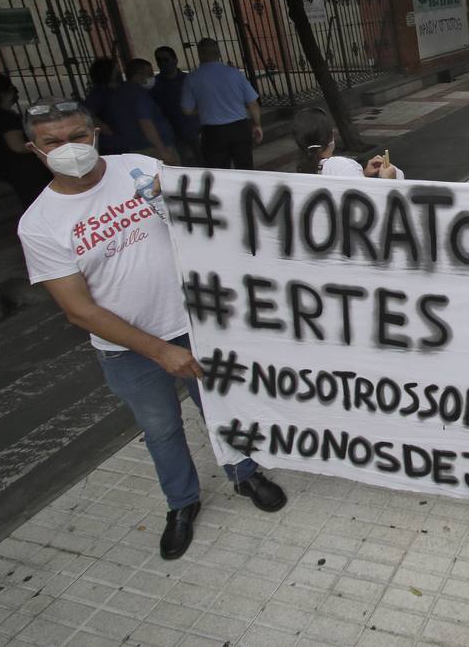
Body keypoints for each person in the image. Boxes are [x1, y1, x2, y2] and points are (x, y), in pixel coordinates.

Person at [16, 97, 286, 561]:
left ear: (95, 131)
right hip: (130, 352)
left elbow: (203, 215)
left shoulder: (139, 168)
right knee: (161, 429)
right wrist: (160, 351)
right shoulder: (39, 225)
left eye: (77, 136)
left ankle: (245, 474)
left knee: (222, 407)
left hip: (197, 325)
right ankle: (182, 504)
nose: (69, 148)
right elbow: (78, 310)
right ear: (34, 148)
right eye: (53, 142)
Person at [0, 72, 51, 210]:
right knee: (38, 202)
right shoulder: (4, 117)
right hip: (23, 169)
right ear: (3, 93)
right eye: (11, 88)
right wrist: (44, 147)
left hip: (11, 166)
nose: (14, 92)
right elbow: (17, 146)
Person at [180, 38, 262, 170]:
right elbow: (253, 103)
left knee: (218, 172)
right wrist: (257, 125)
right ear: (219, 54)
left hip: (213, 133)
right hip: (239, 128)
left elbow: (186, 110)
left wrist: (203, 108)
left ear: (200, 55)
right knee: (245, 168)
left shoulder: (192, 78)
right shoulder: (235, 74)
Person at [292, 107, 404, 179]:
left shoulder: (302, 171)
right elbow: (368, 205)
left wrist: (363, 174)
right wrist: (388, 180)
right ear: (331, 135)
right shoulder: (342, 166)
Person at [106, 58, 178, 163]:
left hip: (135, 149)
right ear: (138, 75)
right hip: (153, 149)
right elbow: (146, 124)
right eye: (149, 74)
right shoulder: (139, 95)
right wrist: (162, 150)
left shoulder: (119, 93)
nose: (152, 77)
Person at [150, 45, 202, 164]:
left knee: (203, 162)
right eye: (159, 60)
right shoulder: (154, 84)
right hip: (170, 133)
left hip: (193, 129)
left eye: (166, 59)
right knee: (182, 166)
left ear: (175, 60)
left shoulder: (188, 79)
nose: (162, 63)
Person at [83, 57, 121, 153]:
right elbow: (89, 115)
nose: (119, 72)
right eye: (116, 69)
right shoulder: (98, 94)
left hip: (118, 141)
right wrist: (108, 131)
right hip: (111, 144)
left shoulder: (112, 91)